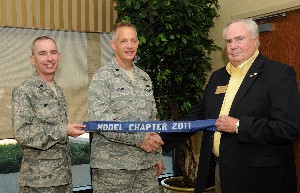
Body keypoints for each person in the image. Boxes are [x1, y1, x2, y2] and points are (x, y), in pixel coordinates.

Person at [162, 18, 300, 193]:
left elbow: (289, 127)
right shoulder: (218, 77)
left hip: (261, 179)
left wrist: (238, 125)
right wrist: (163, 137)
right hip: (222, 173)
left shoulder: (278, 74)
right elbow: (197, 115)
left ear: (256, 40)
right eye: (228, 41)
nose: (233, 46)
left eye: (239, 39)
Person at [88, 21, 164, 193]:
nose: (129, 46)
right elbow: (102, 121)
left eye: (133, 41)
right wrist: (139, 138)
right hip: (113, 169)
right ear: (113, 44)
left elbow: (153, 118)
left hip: (145, 165)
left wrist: (157, 155)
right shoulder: (102, 78)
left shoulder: (144, 78)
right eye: (123, 41)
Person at [11, 36, 86, 193]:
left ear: (59, 56)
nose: (49, 58)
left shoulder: (57, 90)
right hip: (38, 184)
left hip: (63, 179)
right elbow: (22, 133)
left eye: (53, 52)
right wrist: (63, 130)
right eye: (42, 53)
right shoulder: (24, 91)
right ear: (32, 59)